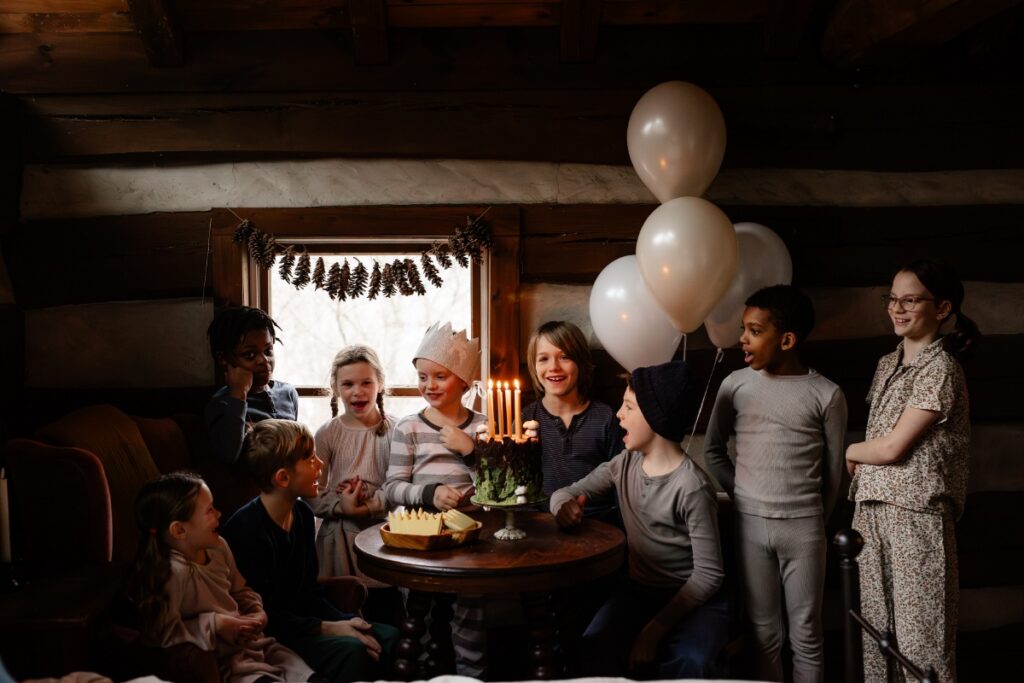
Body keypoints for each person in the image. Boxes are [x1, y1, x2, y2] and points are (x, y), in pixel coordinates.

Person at [704, 284, 848, 683]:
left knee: (806, 633)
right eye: (743, 329)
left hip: (804, 530)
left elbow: (834, 474)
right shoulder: (735, 385)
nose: (742, 339)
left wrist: (814, 518)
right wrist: (745, 495)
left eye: (753, 331)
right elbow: (713, 451)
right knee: (763, 633)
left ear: (786, 340)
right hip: (750, 527)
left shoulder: (826, 395)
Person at [552, 360, 729, 679]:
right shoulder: (625, 464)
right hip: (638, 593)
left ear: (656, 417)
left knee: (693, 660)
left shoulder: (691, 486)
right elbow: (566, 492)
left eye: (629, 407)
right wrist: (562, 506)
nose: (618, 414)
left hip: (691, 601)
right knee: (595, 645)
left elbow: (709, 575)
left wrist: (655, 629)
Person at [845, 259, 979, 682]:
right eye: (892, 298)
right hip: (871, 511)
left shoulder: (941, 368)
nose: (897, 308)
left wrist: (852, 450)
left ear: (941, 308)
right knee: (876, 641)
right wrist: (864, 458)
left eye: (910, 300)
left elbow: (893, 447)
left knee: (921, 645)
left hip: (915, 518)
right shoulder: (888, 363)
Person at [221, 420, 397, 683]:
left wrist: (349, 624)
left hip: (309, 622)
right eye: (310, 459)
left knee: (390, 638)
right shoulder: (246, 530)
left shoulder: (302, 514)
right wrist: (330, 628)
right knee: (354, 651)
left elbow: (309, 592)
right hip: (276, 636)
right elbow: (264, 614)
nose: (320, 465)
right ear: (283, 477)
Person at [132, 471, 319, 683]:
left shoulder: (219, 547)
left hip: (257, 645)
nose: (219, 514)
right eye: (209, 510)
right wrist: (216, 624)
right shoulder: (172, 572)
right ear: (179, 530)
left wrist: (257, 612)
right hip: (227, 661)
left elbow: (241, 591)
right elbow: (162, 634)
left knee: (309, 677)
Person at [382, 321, 487, 678]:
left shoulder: (482, 426)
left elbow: (497, 489)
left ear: (463, 382)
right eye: (422, 376)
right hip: (420, 541)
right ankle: (423, 673)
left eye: (440, 377)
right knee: (420, 616)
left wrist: (471, 451)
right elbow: (392, 488)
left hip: (470, 542)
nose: (429, 386)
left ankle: (470, 675)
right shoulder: (408, 428)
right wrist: (429, 494)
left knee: (470, 615)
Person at [311, 345, 400, 623]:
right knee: (346, 609)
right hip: (338, 540)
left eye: (366, 383)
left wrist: (373, 504)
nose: (357, 391)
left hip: (382, 532)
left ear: (380, 384)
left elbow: (401, 486)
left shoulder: (396, 430)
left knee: (387, 613)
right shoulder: (328, 433)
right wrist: (342, 506)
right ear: (335, 388)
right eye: (347, 384)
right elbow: (312, 492)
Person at [523, 320, 624, 521]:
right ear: (534, 367)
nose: (554, 367)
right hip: (543, 527)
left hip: (599, 527)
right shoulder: (526, 419)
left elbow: (621, 482)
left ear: (581, 363)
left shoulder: (605, 418)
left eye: (565, 357)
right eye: (543, 358)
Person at [205, 306, 299, 464]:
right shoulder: (222, 403)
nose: (263, 361)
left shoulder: (287, 393)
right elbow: (228, 454)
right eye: (250, 355)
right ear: (223, 359)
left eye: (268, 351)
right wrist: (238, 395)